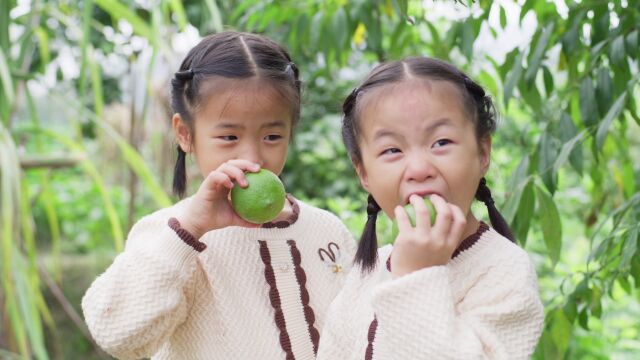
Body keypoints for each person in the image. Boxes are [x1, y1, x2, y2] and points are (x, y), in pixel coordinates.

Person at [82, 31, 356, 360]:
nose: (252, 157)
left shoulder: (327, 230)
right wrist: (189, 231)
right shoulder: (169, 237)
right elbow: (119, 336)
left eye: (272, 135)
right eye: (229, 136)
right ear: (185, 133)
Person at [316, 57, 544, 359]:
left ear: (482, 152)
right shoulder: (367, 271)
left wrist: (416, 275)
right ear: (364, 174)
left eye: (441, 142)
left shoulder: (504, 272)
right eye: (392, 150)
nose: (420, 169)